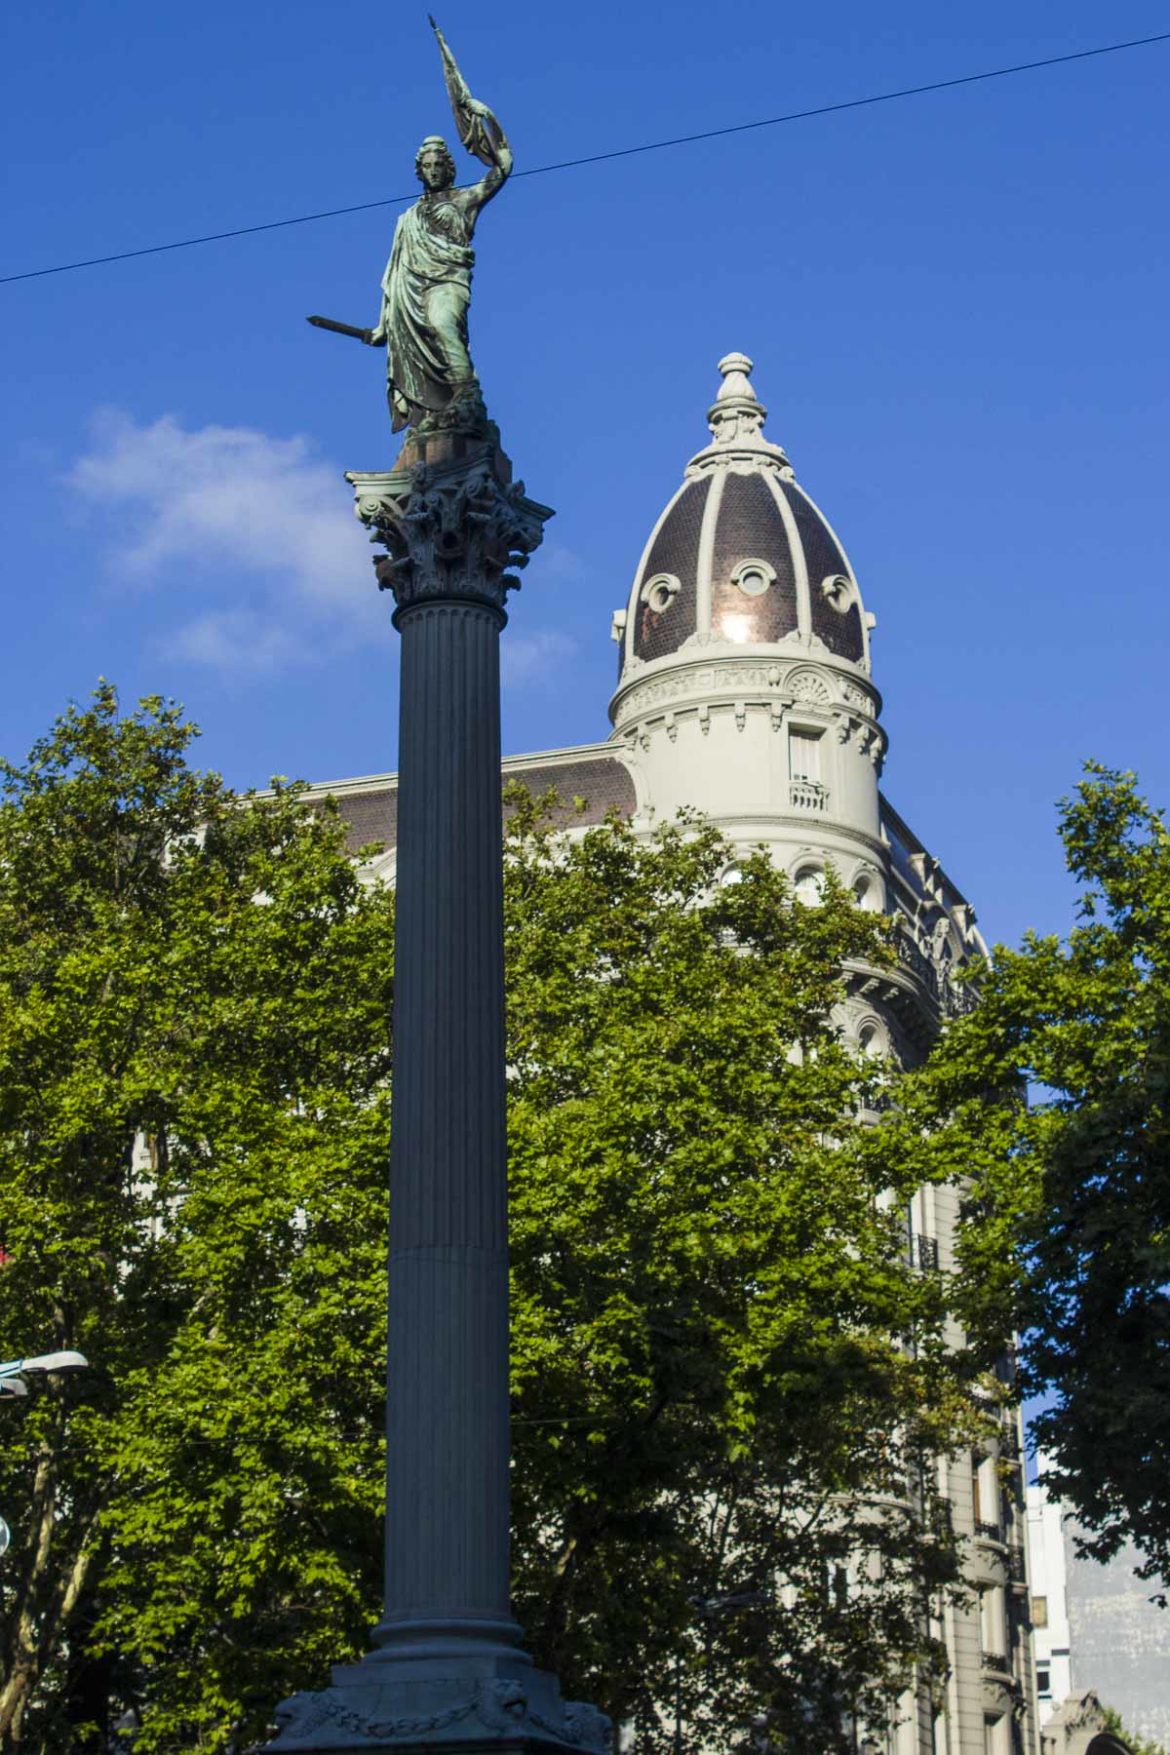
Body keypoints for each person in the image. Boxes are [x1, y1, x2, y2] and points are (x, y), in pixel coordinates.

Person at [367, 66, 512, 432]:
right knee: (423, 343)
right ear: (420, 171)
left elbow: (504, 166)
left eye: (438, 165)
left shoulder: (464, 201)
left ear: (449, 168)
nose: (432, 171)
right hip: (411, 290)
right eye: (426, 166)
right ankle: (441, 409)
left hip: (448, 279)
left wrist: (485, 116)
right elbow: (393, 273)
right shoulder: (408, 217)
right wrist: (383, 324)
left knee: (442, 324)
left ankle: (467, 394)